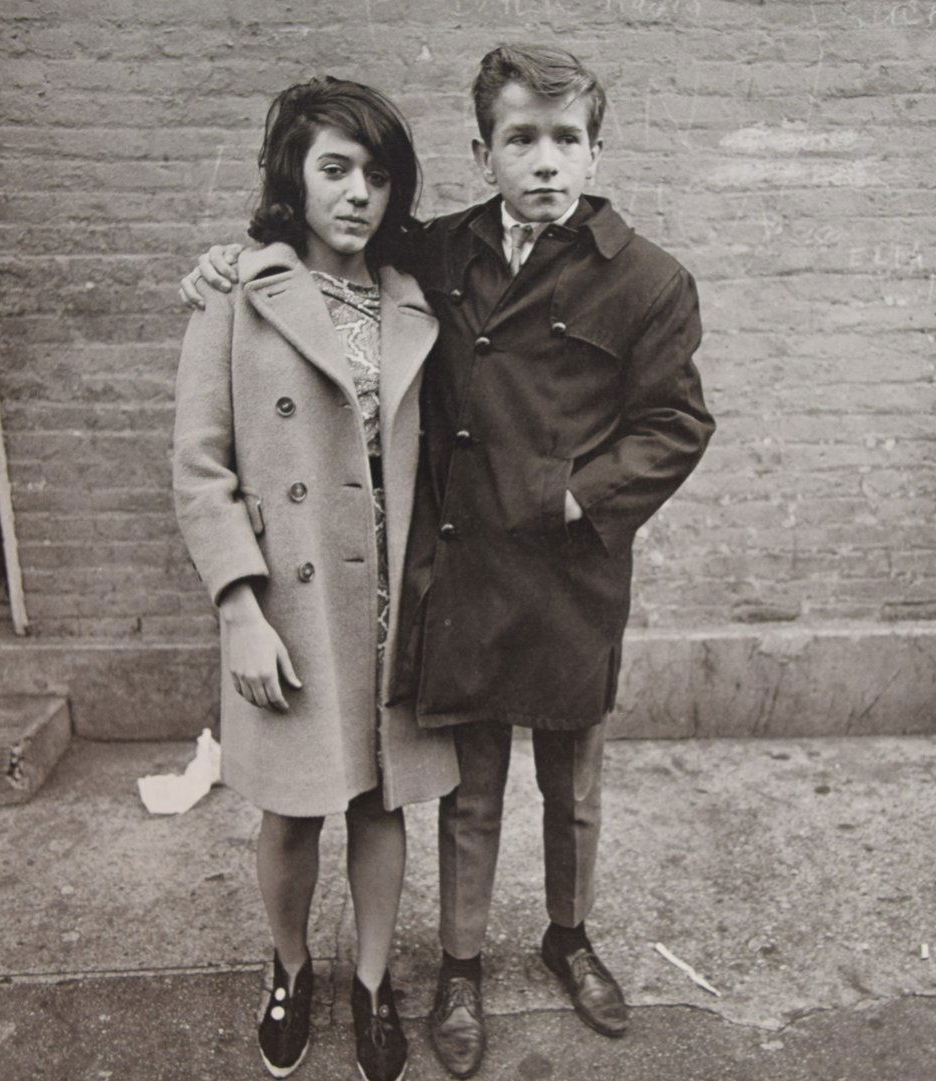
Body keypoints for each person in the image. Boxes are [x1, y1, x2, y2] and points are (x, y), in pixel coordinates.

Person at [181, 44, 714, 1080]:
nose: (546, 163)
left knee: (573, 784)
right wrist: (227, 261)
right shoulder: (437, 254)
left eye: (567, 140)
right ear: (482, 151)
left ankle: (570, 937)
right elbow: (312, 272)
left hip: (570, 573)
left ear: (595, 149)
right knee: (468, 790)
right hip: (461, 574)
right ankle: (457, 967)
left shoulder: (645, 278)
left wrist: (576, 493)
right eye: (521, 139)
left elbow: (676, 422)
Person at [172, 75, 458, 1081]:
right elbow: (200, 468)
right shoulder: (237, 294)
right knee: (292, 806)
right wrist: (240, 611)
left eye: (377, 175)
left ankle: (373, 981)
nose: (358, 194)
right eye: (334, 168)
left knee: (381, 803)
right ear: (292, 173)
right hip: (290, 602)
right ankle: (289, 967)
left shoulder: (414, 292)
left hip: (392, 597)